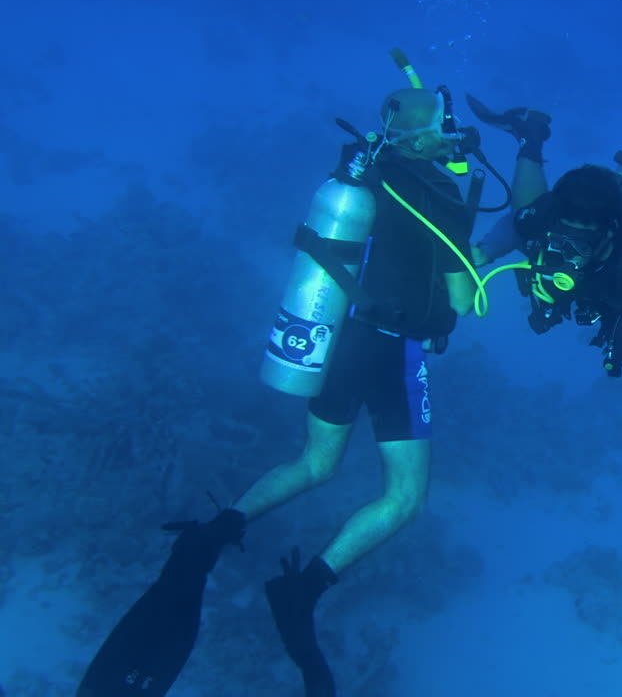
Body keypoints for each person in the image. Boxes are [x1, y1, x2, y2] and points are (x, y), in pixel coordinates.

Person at [77, 85, 476, 697]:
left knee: (315, 463)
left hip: (335, 338)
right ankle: (302, 591)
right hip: (393, 350)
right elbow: (462, 297)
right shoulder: (437, 192)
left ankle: (215, 532)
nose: (453, 135)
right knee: (404, 498)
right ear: (429, 134)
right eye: (446, 126)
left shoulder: (358, 178)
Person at [467, 97, 622, 455]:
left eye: (580, 243)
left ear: (609, 234)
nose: (565, 252)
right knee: (525, 213)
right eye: (559, 237)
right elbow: (519, 222)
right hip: (573, 228)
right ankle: (530, 136)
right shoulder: (551, 212)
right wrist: (483, 253)